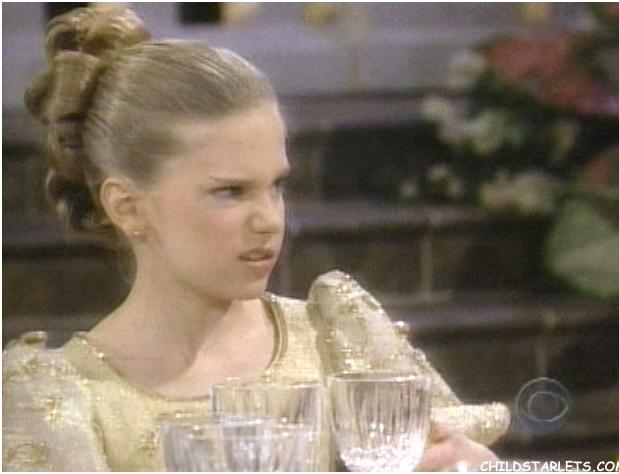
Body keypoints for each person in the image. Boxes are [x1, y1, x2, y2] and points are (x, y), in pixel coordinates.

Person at [3, 5, 509, 471]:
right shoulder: (63, 399)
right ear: (127, 207)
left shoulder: (338, 341)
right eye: (230, 192)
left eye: (276, 186)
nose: (269, 220)